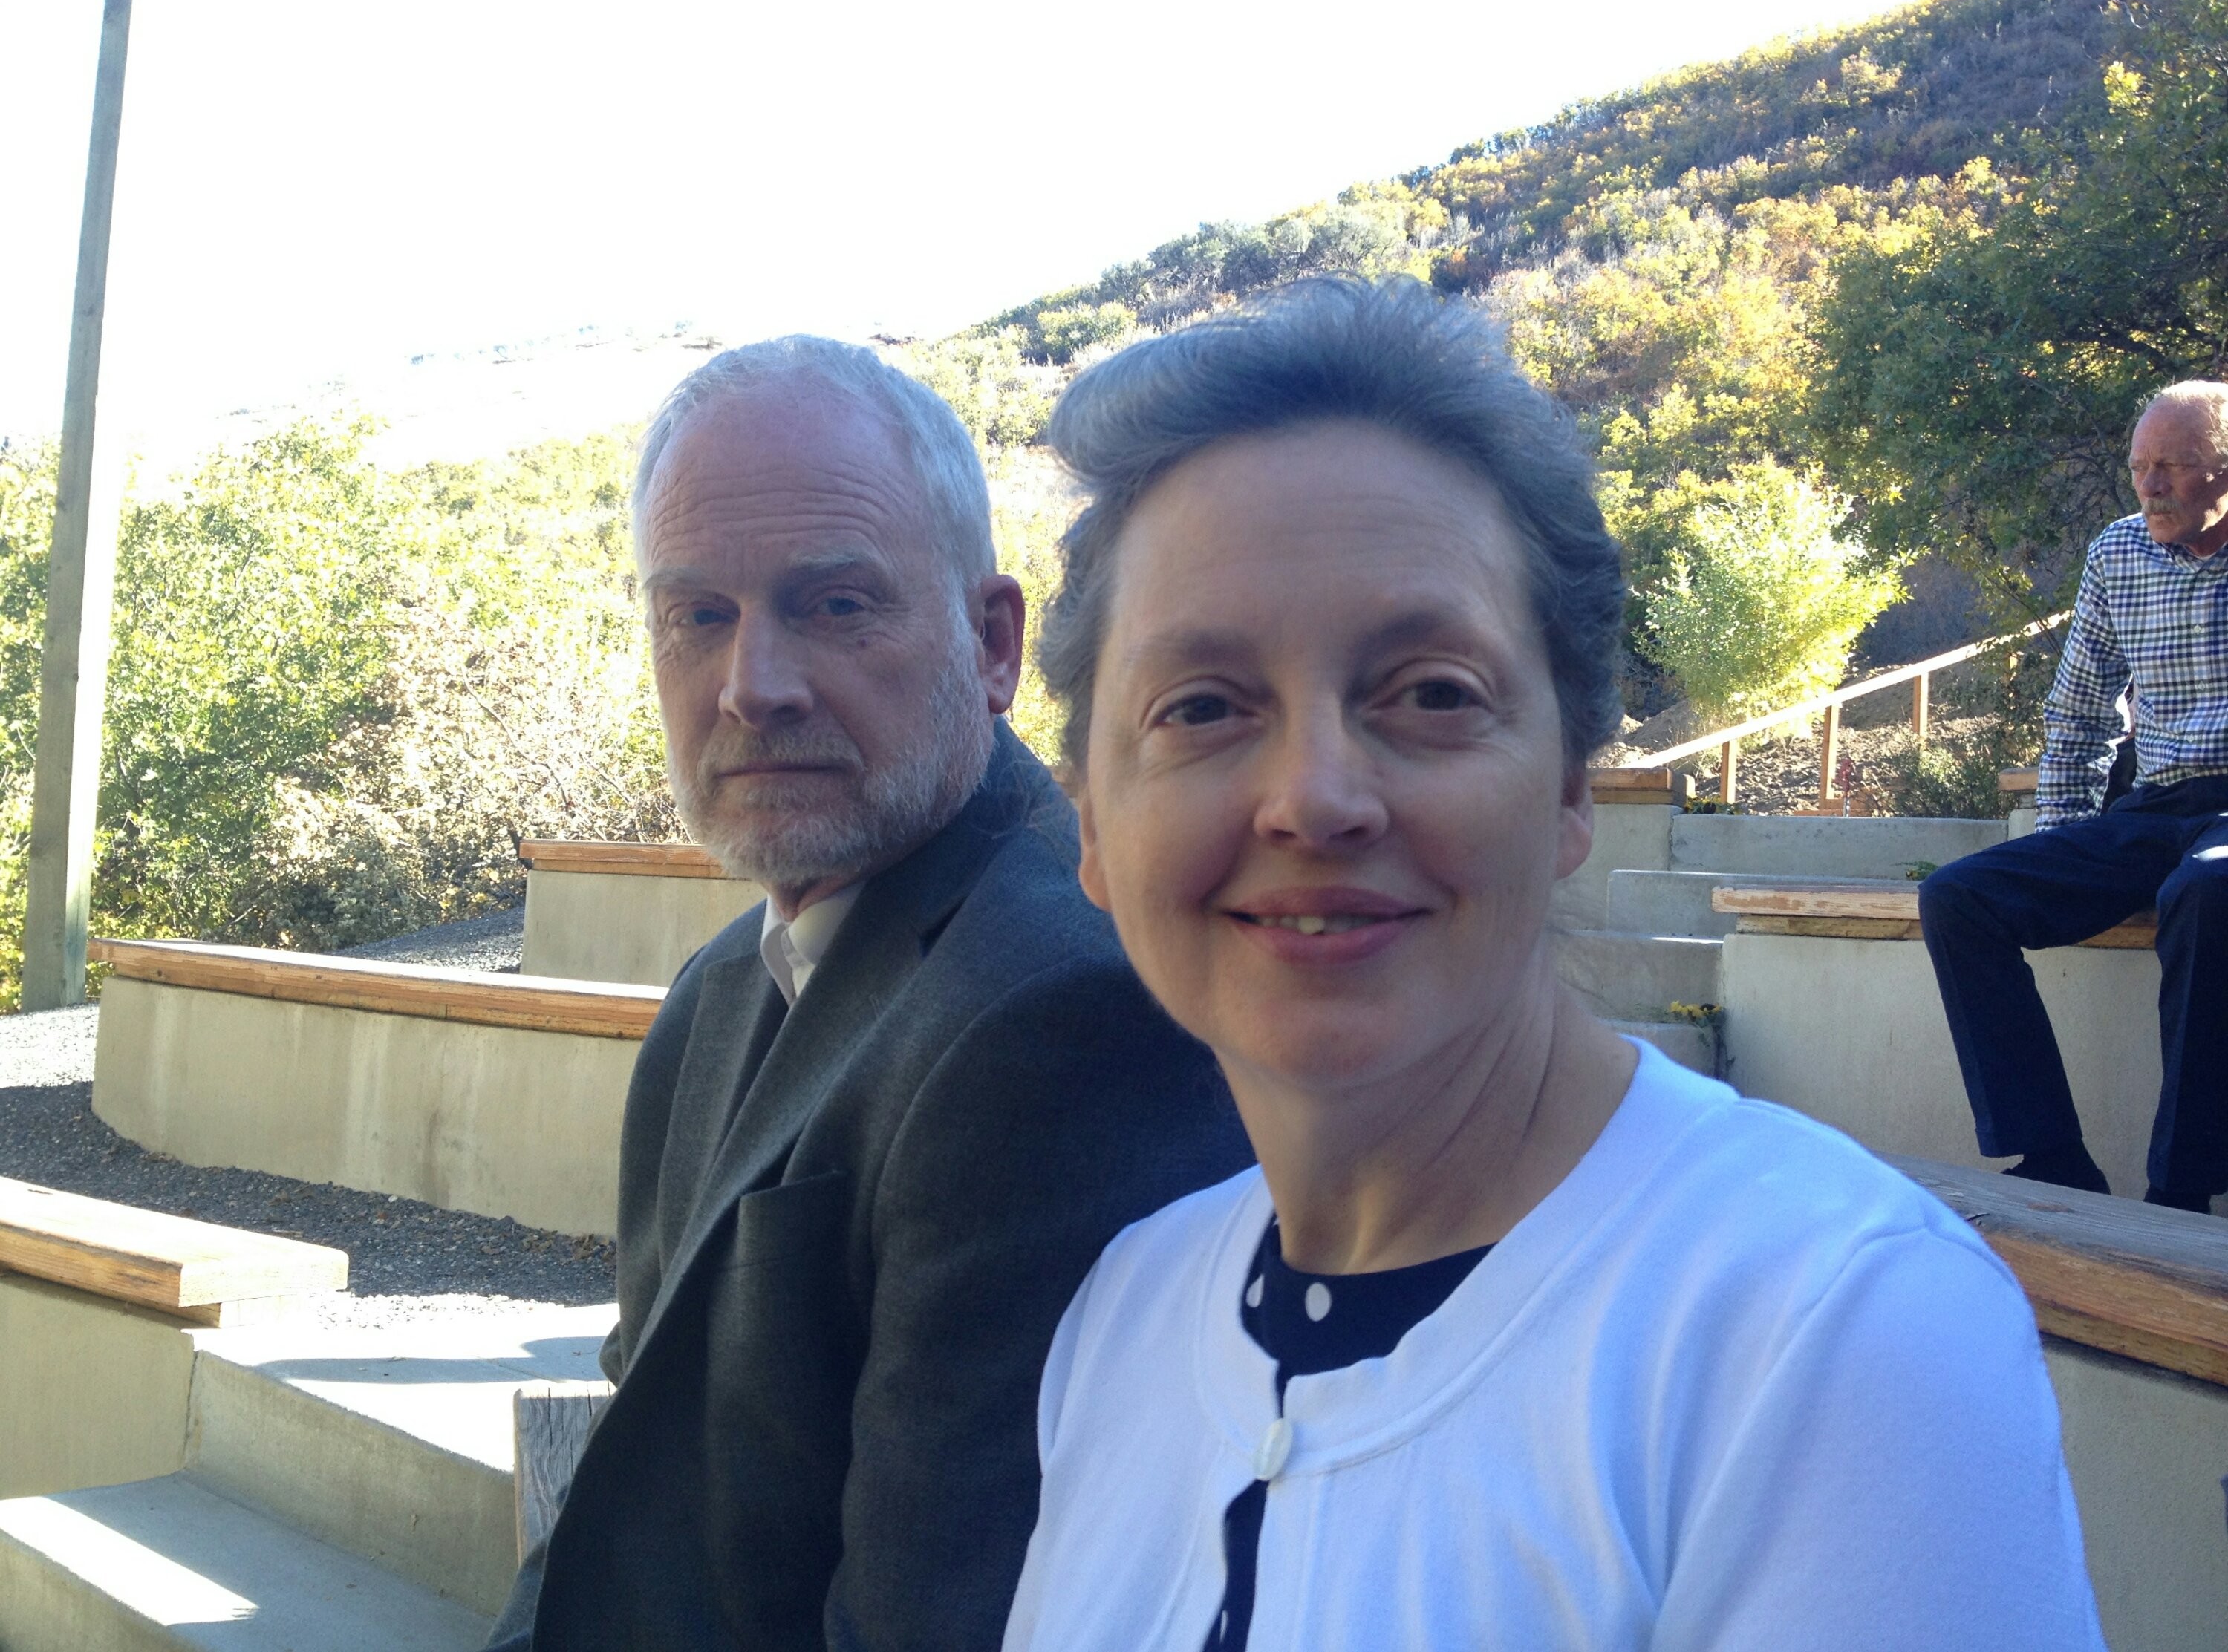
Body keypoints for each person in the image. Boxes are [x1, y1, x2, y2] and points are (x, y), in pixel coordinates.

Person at [1000, 278, 2102, 1651]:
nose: (1315, 797)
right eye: (1203, 706)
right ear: (1091, 824)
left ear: (1572, 786)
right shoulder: (1126, 1311)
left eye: (1432, 693)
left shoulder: (1837, 1333)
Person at [486, 337, 1250, 1650]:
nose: (753, 686)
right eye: (698, 616)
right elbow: (630, 1489)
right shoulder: (722, 988)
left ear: (994, 642)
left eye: (835, 604)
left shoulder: (1064, 1008)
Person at [1920, 380, 2228, 1214]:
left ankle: (2181, 1189)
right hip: (2153, 808)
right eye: (2140, 467)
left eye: (2174, 466)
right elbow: (2082, 713)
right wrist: (2060, 842)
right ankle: (2054, 1156)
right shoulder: (2118, 554)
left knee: (2209, 890)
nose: (2151, 486)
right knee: (1958, 897)